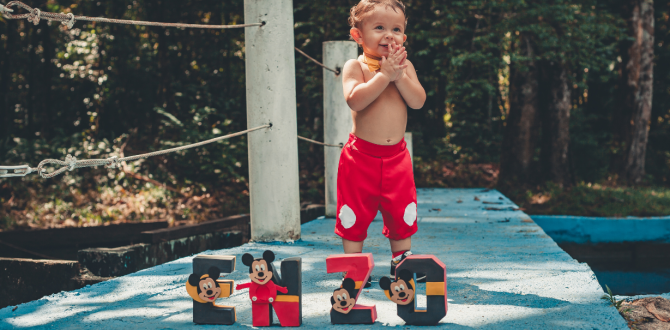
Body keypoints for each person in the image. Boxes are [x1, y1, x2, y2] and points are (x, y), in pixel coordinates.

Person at [337, 0, 426, 285]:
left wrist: (398, 76)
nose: (389, 35)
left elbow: (418, 101)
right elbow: (356, 99)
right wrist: (384, 75)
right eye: (379, 28)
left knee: (402, 211)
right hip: (360, 158)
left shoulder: (406, 67)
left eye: (396, 29)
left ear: (404, 38)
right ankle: (353, 270)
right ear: (358, 36)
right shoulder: (357, 66)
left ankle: (401, 264)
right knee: (354, 213)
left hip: (397, 158)